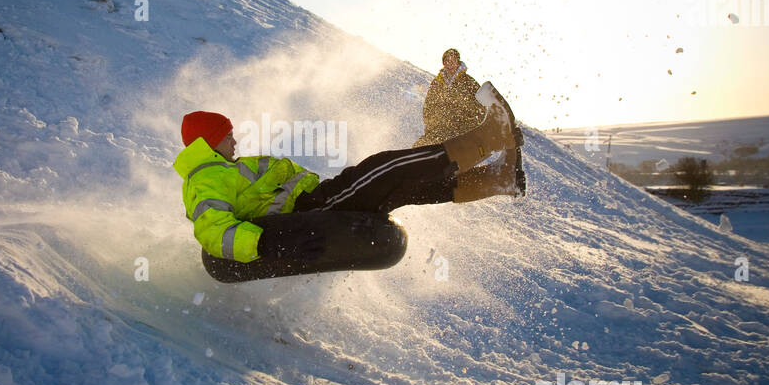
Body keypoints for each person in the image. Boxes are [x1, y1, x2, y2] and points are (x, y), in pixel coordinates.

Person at [173, 94, 520, 265]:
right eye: (227, 135)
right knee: (386, 167)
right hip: (307, 213)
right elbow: (212, 229)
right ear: (209, 140)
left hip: (314, 201)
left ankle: (498, 179)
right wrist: (266, 244)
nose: (235, 141)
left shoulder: (227, 168)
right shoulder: (206, 178)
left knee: (407, 187)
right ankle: (491, 136)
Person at [414, 48, 483, 147]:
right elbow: (428, 105)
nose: (449, 64)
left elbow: (480, 105)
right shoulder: (437, 82)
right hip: (439, 128)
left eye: (452, 61)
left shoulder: (468, 82)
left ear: (457, 62)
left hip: (461, 129)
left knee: (449, 148)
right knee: (419, 146)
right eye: (446, 61)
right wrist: (430, 124)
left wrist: (471, 124)